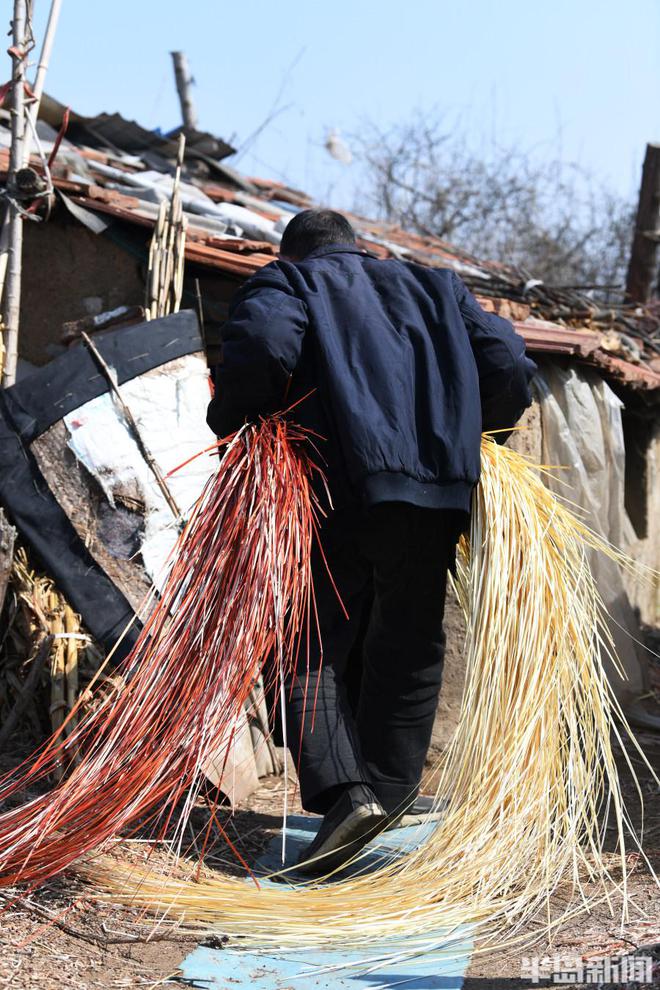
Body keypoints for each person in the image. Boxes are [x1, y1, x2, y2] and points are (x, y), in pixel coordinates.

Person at [207, 209, 537, 874]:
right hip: (438, 493)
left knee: (304, 643)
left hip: (337, 486)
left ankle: (348, 798)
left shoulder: (290, 282)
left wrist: (239, 423)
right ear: (356, 247)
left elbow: (266, 345)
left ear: (294, 250)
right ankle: (386, 799)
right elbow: (507, 363)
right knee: (411, 643)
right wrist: (475, 437)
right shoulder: (436, 287)